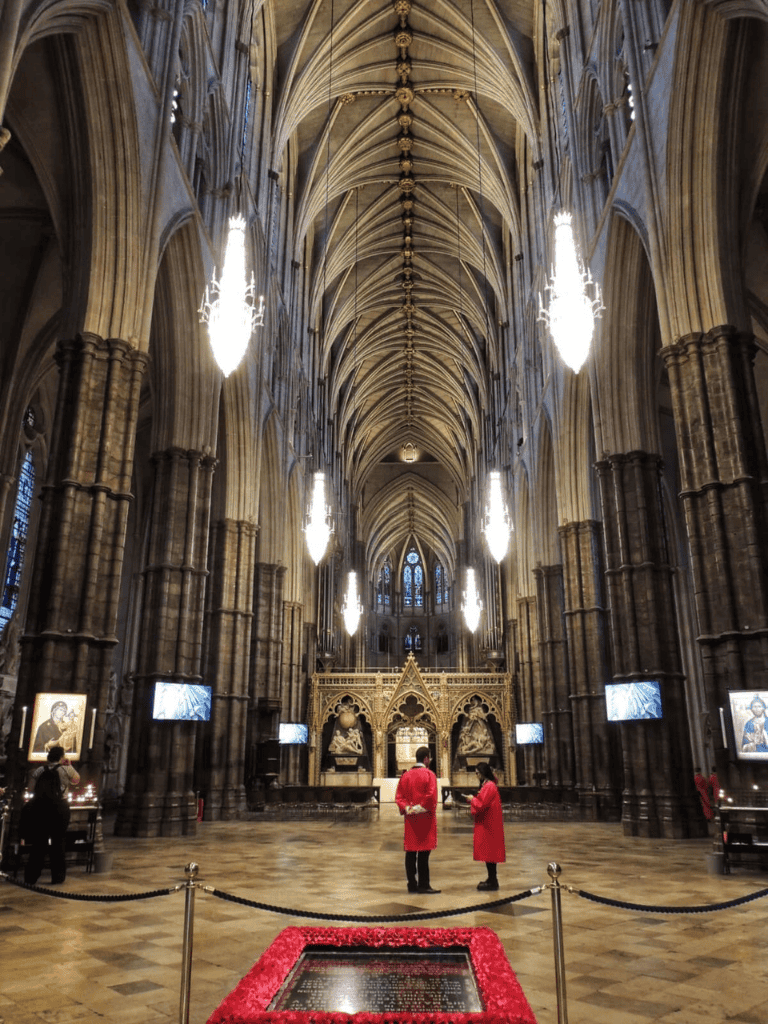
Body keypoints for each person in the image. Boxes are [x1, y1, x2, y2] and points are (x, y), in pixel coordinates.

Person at [22, 745, 80, 885]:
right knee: (58, 842)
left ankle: (31, 876)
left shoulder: (40, 770)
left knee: (39, 842)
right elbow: (76, 780)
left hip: (41, 808)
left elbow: (31, 788)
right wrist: (68, 765)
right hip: (60, 808)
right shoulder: (66, 769)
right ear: (61, 756)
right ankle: (57, 877)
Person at [395, 745, 439, 894]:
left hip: (411, 821)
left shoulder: (405, 776)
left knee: (411, 852)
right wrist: (420, 808)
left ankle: (412, 884)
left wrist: (408, 808)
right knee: (424, 853)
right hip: (425, 819)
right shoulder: (429, 774)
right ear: (426, 758)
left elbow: (399, 797)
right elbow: (431, 796)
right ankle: (424, 884)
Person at [461, 761, 505, 890]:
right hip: (487, 823)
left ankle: (493, 880)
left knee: (490, 853)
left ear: (484, 772)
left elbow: (481, 804)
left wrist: (472, 799)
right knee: (488, 852)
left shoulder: (489, 786)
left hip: (489, 825)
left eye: (478, 772)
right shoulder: (487, 785)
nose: (476, 775)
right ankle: (491, 878)